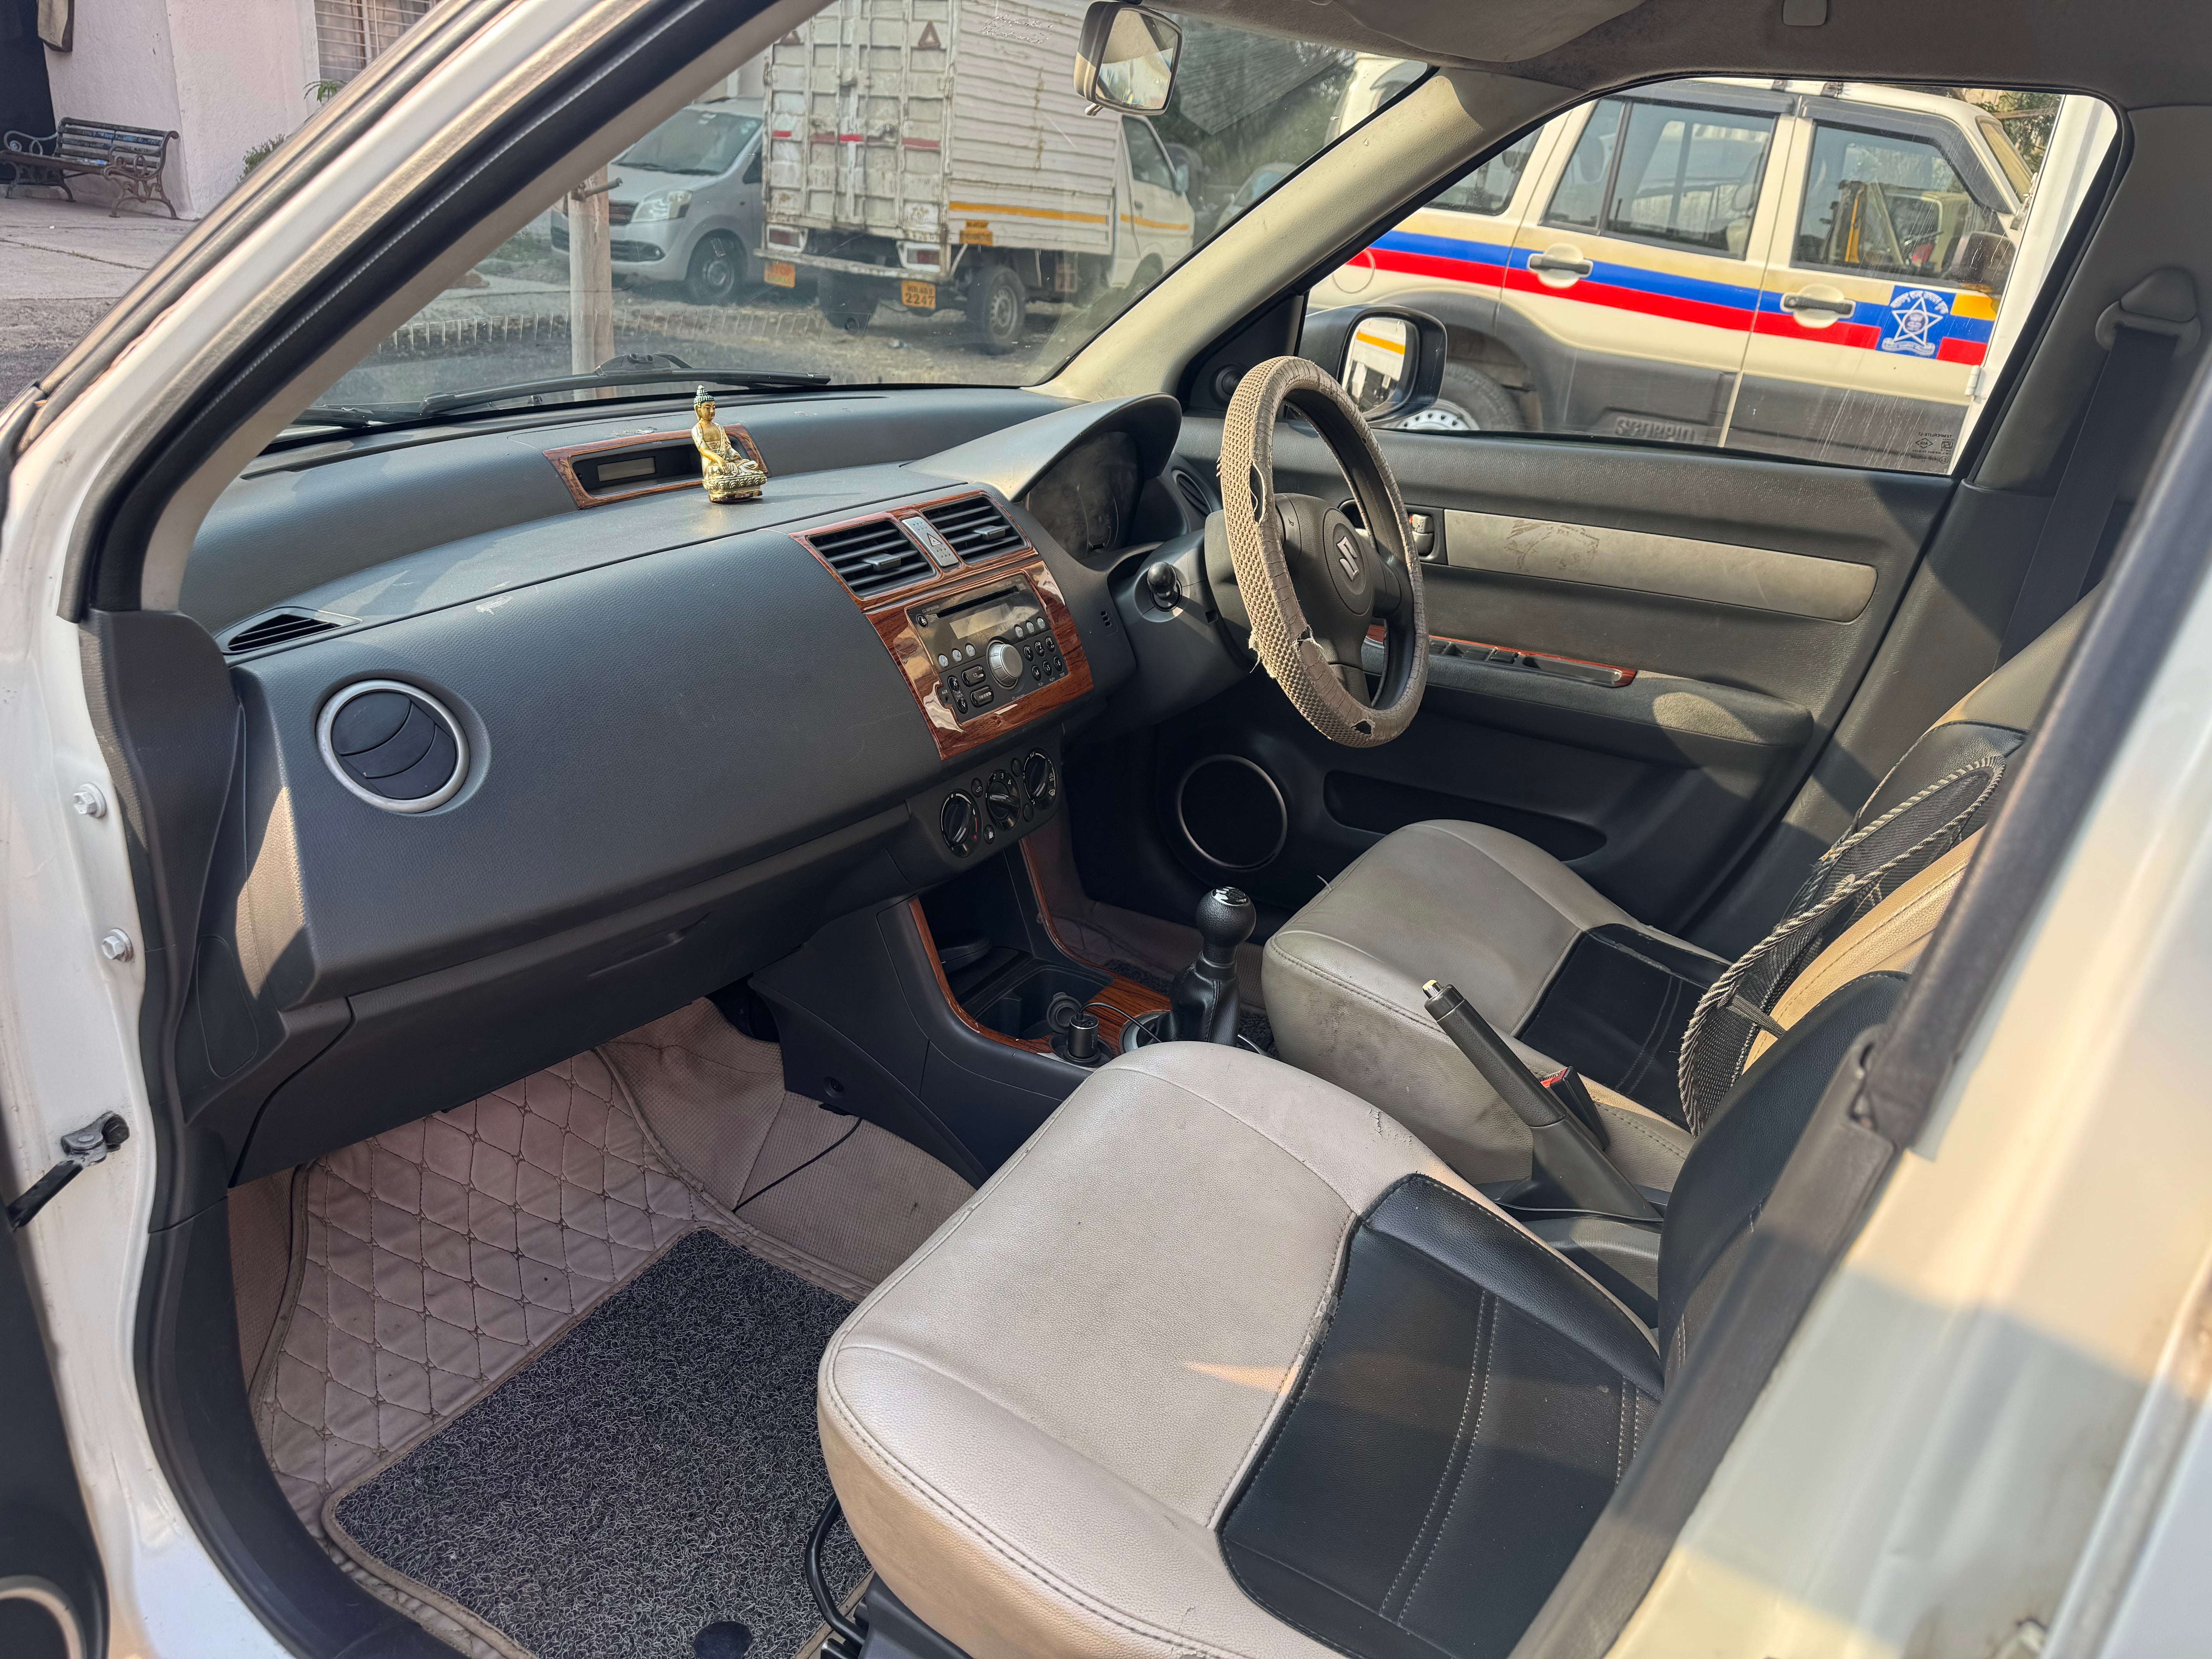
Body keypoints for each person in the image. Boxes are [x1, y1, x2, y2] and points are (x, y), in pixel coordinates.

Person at [691, 387, 767, 502]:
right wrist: (720, 460)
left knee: (752, 466)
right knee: (717, 472)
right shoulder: (698, 429)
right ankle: (727, 488)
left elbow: (727, 446)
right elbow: (704, 450)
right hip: (713, 464)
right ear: (698, 409)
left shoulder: (718, 427)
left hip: (729, 462)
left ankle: (742, 486)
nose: (712, 411)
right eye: (708, 408)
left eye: (714, 408)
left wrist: (733, 454)